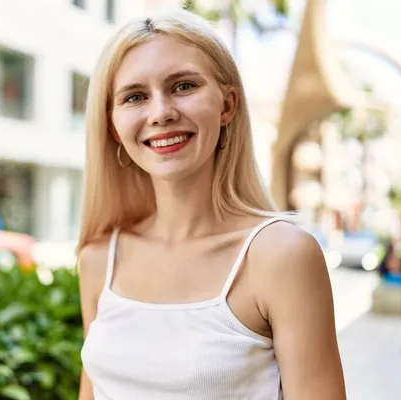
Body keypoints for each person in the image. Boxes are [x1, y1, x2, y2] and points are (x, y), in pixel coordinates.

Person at [76, 7, 345, 400]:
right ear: (113, 125)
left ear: (227, 105)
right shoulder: (99, 259)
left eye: (183, 86)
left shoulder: (281, 257)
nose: (161, 113)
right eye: (135, 96)